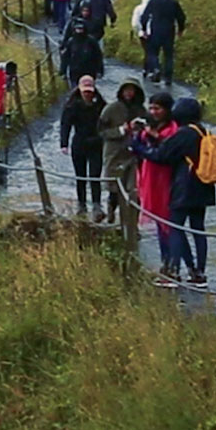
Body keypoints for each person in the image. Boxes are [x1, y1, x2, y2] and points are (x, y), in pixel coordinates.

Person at [131, 96, 216, 287]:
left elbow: (161, 155)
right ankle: (199, 274)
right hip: (203, 186)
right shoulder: (202, 131)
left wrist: (139, 147)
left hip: (183, 187)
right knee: (198, 229)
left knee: (174, 227)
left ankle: (173, 273)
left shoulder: (183, 133)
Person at [134, 92, 181, 283]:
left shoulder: (172, 129)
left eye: (158, 108)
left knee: (167, 222)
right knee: (160, 224)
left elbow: (165, 151)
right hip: (150, 176)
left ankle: (172, 266)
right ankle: (166, 263)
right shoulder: (152, 125)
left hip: (164, 179)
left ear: (167, 109)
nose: (154, 112)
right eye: (151, 107)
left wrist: (150, 140)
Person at [99, 77, 148, 225]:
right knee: (114, 188)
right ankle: (111, 215)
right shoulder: (111, 109)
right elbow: (101, 131)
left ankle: (132, 224)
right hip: (114, 153)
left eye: (132, 90)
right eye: (126, 90)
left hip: (134, 155)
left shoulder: (141, 110)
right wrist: (121, 130)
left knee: (134, 190)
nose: (129, 93)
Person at [61, 75, 108, 219]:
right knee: (80, 176)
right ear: (80, 90)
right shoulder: (72, 106)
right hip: (79, 143)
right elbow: (66, 125)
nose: (88, 94)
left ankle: (96, 204)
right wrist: (64, 143)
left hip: (96, 143)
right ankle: (81, 204)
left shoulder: (101, 105)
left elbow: (107, 123)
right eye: (85, 91)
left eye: (90, 91)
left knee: (95, 176)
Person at [138, 0, 186, 85]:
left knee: (152, 52)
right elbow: (181, 17)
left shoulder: (153, 1)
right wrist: (181, 29)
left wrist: (144, 29)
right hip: (169, 31)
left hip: (156, 30)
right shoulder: (173, 2)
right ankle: (168, 78)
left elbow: (144, 16)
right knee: (168, 55)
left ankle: (156, 68)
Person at [60, 19, 103, 88]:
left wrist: (100, 70)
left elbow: (98, 56)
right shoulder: (71, 42)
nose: (79, 31)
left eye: (81, 29)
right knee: (75, 90)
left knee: (88, 90)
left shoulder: (91, 41)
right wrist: (63, 72)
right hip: (75, 72)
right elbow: (65, 57)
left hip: (89, 71)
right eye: (77, 29)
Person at [131, 0, 156, 79]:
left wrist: (139, 31)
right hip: (153, 33)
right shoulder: (155, 8)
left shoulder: (138, 8)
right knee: (152, 51)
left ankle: (147, 69)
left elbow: (134, 23)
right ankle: (151, 69)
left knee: (147, 51)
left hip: (143, 34)